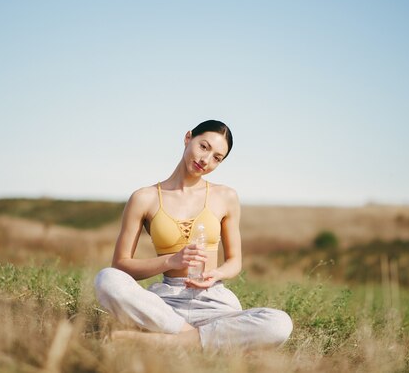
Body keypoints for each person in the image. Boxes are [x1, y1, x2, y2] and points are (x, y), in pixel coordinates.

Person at [94, 120, 293, 351]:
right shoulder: (144, 198)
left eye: (217, 158)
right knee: (107, 279)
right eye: (204, 147)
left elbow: (234, 261)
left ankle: (162, 340)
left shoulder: (225, 196)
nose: (205, 160)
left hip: (214, 302)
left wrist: (215, 273)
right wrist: (171, 261)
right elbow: (120, 266)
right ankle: (194, 338)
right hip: (166, 305)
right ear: (188, 137)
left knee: (279, 324)